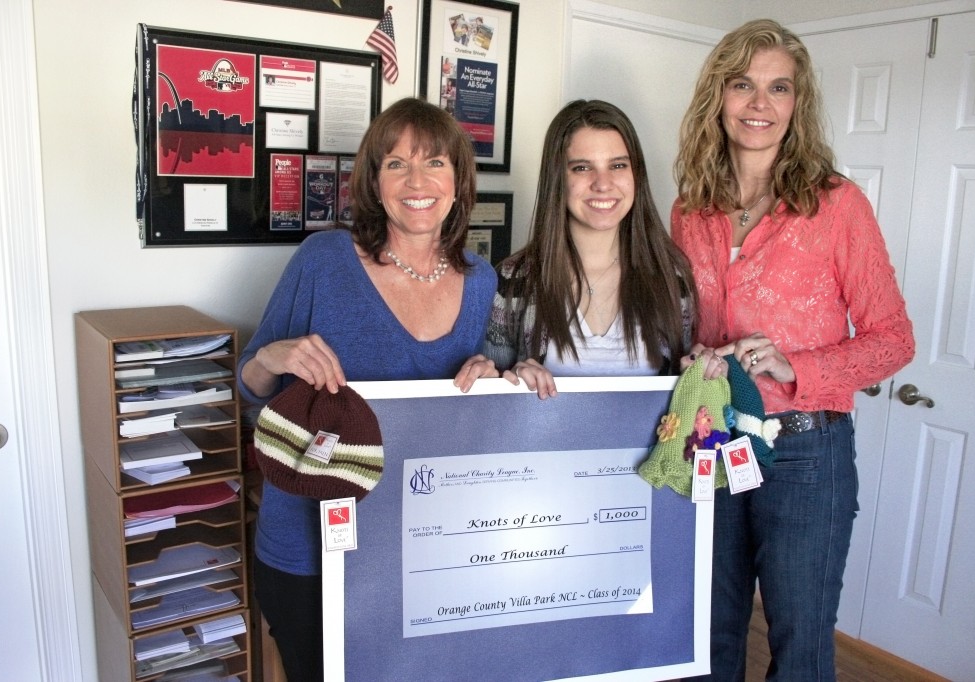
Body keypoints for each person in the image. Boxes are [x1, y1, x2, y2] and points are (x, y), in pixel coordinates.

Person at [673, 20, 915, 681]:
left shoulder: (837, 206)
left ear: (797, 103)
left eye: (779, 88)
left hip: (807, 454)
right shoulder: (690, 209)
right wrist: (691, 352)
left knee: (801, 646)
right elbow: (684, 321)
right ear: (717, 97)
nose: (760, 104)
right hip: (714, 444)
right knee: (708, 631)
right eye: (743, 85)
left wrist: (796, 366)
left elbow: (894, 340)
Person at [237, 97, 498, 681]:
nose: (417, 181)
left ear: (458, 178)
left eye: (434, 162)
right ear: (374, 183)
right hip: (310, 548)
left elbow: (481, 412)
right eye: (396, 164)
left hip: (422, 544)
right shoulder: (324, 260)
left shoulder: (482, 281)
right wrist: (275, 355)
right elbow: (249, 383)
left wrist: (491, 375)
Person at [483, 99, 721, 397]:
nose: (603, 183)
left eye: (618, 165)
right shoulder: (513, 279)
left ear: (637, 175)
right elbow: (488, 398)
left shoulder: (671, 277)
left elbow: (681, 399)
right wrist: (511, 380)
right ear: (557, 179)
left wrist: (699, 372)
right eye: (582, 168)